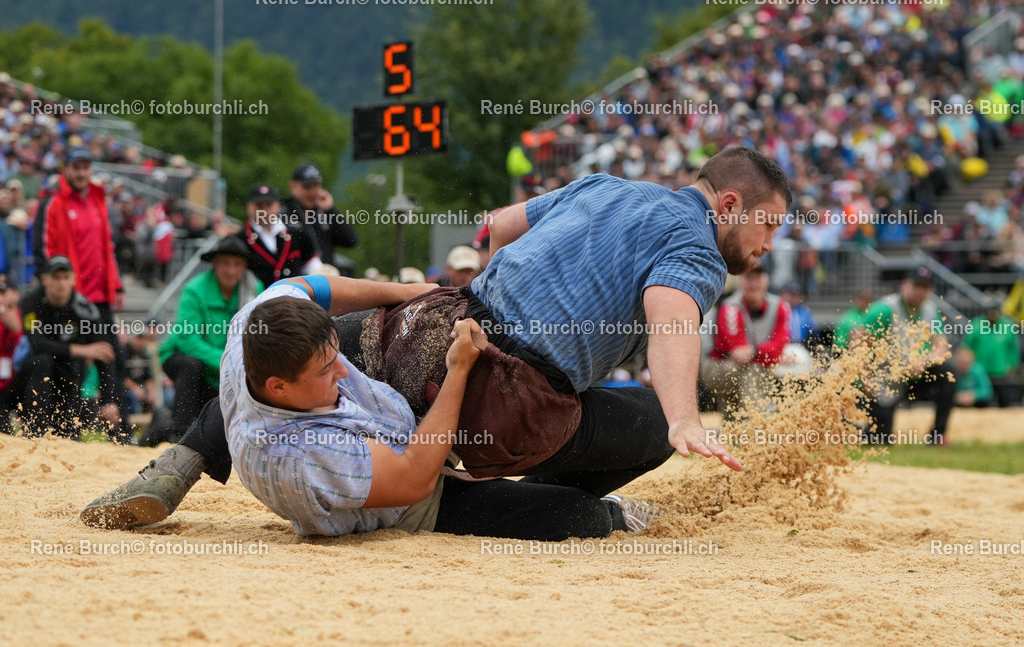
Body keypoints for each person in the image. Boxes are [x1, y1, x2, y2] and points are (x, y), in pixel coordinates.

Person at [81, 146, 790, 530]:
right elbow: (671, 316)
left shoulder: (604, 185)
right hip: (510, 399)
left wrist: (494, 297)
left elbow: (499, 225)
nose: (767, 245)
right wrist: (683, 415)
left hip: (434, 321)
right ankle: (532, 500)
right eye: (767, 225)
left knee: (283, 346)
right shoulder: (697, 245)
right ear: (729, 204)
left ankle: (177, 464)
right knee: (646, 426)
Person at [84, 277, 659, 540]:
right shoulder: (300, 458)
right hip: (410, 497)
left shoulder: (256, 324)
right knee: (579, 518)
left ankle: (177, 463)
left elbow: (313, 288)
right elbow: (414, 476)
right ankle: (586, 507)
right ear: (280, 386)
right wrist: (458, 369)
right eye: (325, 371)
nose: (342, 372)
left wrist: (407, 293)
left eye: (334, 357)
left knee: (245, 396)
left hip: (366, 422)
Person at [156, 235, 264, 443]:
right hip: (184, 357)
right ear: (214, 263)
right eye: (225, 263)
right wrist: (229, 362)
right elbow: (187, 340)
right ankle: (178, 434)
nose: (231, 270)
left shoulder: (255, 288)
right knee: (191, 366)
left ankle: (162, 424)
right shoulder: (195, 289)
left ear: (244, 267)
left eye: (237, 264)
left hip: (226, 364)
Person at [34, 146, 124, 386]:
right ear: (66, 168)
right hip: (70, 298)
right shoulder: (53, 201)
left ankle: (115, 411)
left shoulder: (97, 199)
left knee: (114, 361)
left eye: (86, 167)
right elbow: (43, 251)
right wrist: (58, 291)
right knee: (69, 368)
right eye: (76, 167)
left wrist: (117, 285)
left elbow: (107, 247)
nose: (82, 173)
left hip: (99, 296)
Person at [18, 256, 126, 441]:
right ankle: (35, 432)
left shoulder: (85, 309)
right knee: (43, 361)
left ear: (73, 279)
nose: (61, 283)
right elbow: (37, 343)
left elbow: (103, 352)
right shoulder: (30, 301)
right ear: (45, 279)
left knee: (72, 373)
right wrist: (82, 350)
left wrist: (108, 400)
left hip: (69, 374)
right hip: (29, 376)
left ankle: (69, 432)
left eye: (65, 277)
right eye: (56, 277)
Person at [861, 267, 956, 445]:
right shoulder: (884, 309)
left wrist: (923, 362)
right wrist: (867, 380)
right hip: (885, 379)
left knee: (949, 372)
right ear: (904, 286)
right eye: (916, 286)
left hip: (916, 376)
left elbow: (942, 346)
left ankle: (938, 434)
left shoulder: (930, 310)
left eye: (925, 287)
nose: (920, 291)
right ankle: (856, 431)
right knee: (880, 438)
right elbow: (860, 343)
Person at [701, 262, 791, 421]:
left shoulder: (780, 306)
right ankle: (756, 425)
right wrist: (774, 358)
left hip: (750, 367)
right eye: (749, 279)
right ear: (741, 282)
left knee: (791, 366)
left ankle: (737, 426)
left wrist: (756, 352)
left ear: (766, 281)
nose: (754, 284)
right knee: (753, 372)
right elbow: (740, 355)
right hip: (718, 367)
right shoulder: (730, 307)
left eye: (758, 278)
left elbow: (780, 344)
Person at [279, 163, 359, 274]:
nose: (312, 192)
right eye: (307, 187)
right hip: (299, 278)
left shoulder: (324, 210)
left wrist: (331, 210)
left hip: (327, 278)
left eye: (316, 186)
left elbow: (351, 240)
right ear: (293, 186)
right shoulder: (283, 211)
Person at [235, 184, 322, 287]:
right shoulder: (240, 239)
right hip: (258, 295)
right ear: (249, 207)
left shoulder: (296, 233)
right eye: (259, 206)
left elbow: (311, 266)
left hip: (293, 294)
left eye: (269, 205)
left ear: (278, 206)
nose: (264, 211)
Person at [963, 307, 1021, 408]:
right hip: (981, 370)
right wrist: (968, 363)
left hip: (1001, 370)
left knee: (1004, 401)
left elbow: (1013, 348)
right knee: (981, 402)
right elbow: (968, 346)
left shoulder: (1007, 325)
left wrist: (1013, 365)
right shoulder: (977, 324)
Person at [0, 279, 21, 433]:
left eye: (3, 293)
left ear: (15, 295)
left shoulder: (24, 314)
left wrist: (17, 329)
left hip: (16, 378)